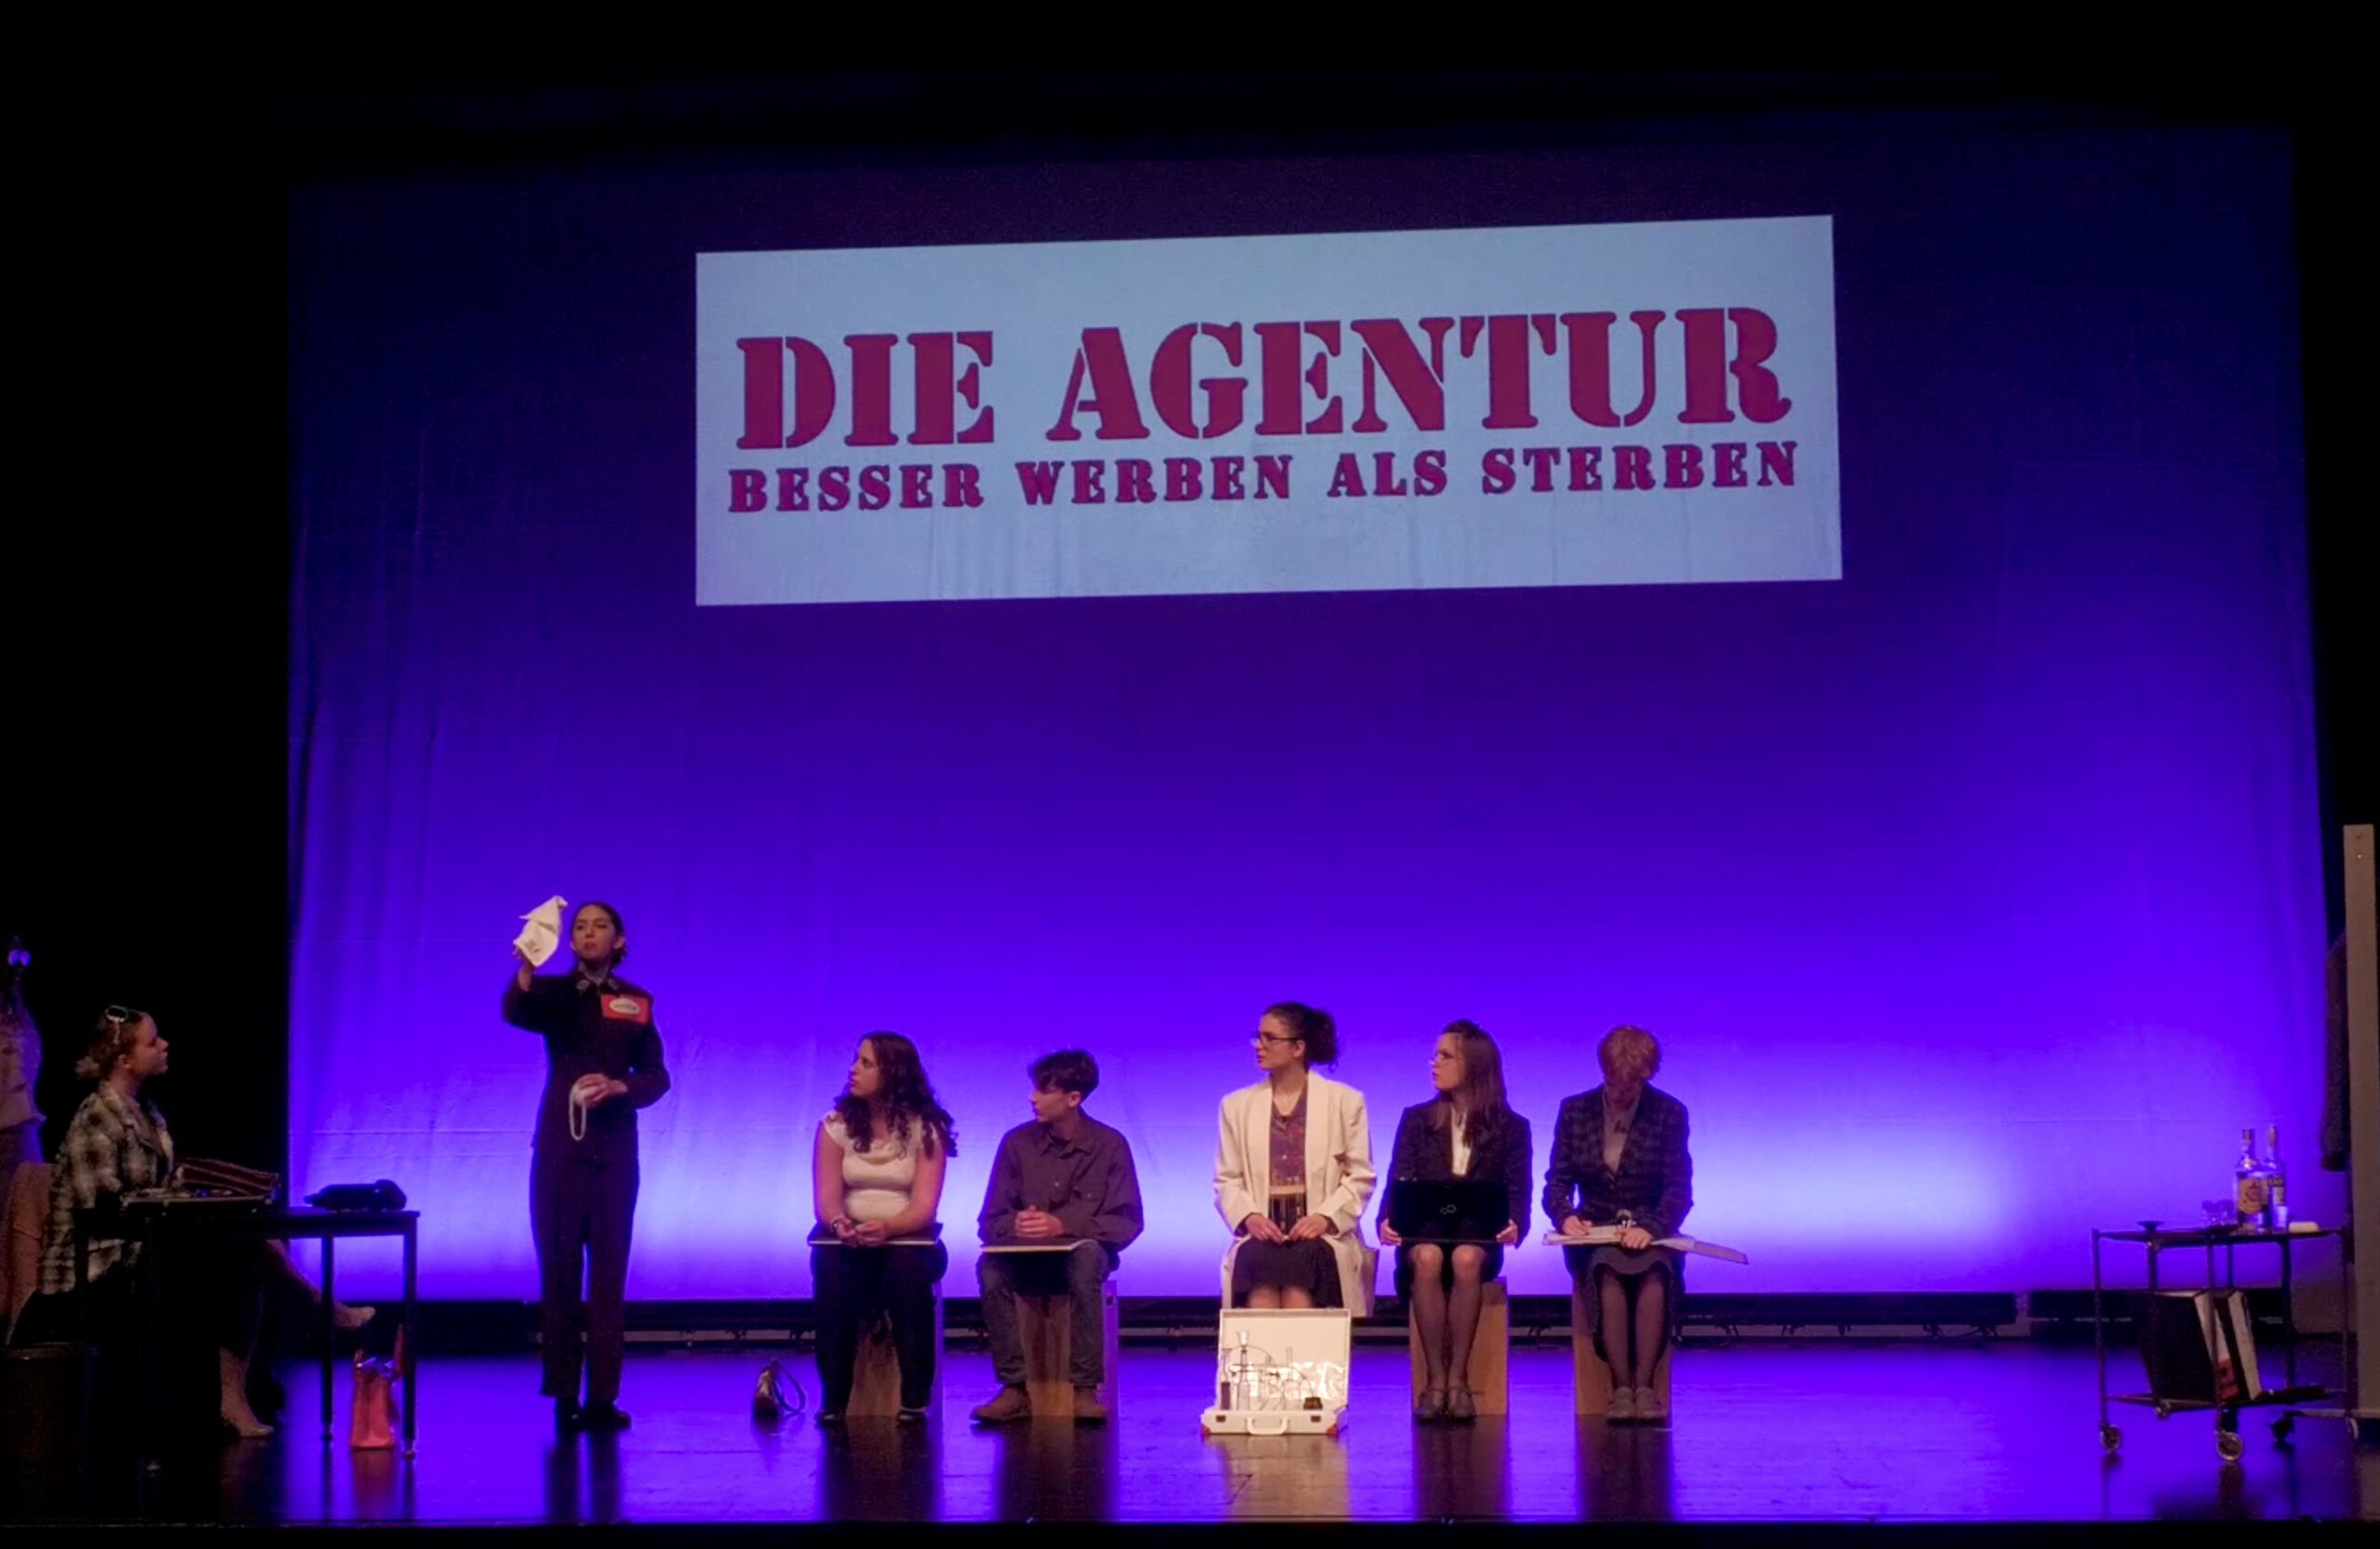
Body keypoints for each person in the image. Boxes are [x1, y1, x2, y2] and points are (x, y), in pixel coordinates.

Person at [13, 1007, 369, 1439]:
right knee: (240, 1249)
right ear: (124, 1060)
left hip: (141, 1248)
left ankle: (244, 1386)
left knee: (246, 1240)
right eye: (152, 1042)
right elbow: (103, 1211)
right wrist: (168, 1205)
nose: (164, 1046)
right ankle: (312, 1307)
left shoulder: (145, 1110)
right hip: (94, 1269)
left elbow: (160, 1184)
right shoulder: (96, 1119)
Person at [503, 900, 670, 1433]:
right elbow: (518, 1011)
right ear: (571, 941)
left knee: (608, 1276)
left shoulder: (636, 1002)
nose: (588, 933)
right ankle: (562, 1394)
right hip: (560, 1151)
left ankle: (602, 1396)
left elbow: (657, 1076)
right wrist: (527, 968)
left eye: (600, 926)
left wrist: (620, 1086)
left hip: (614, 1156)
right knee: (558, 1273)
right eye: (580, 927)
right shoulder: (556, 993)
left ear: (619, 941)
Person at [971, 1050, 1143, 1424]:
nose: (1032, 1098)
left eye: (1043, 1090)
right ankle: (1014, 1388)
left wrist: (1062, 1225)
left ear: (1073, 1098)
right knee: (990, 1267)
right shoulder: (1016, 1143)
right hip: (1026, 1256)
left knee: (1085, 1261)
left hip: (1082, 1255)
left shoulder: (1109, 1145)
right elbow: (989, 1220)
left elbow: (1126, 1220)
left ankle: (1084, 1388)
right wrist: (1015, 1224)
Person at [1377, 1019, 1532, 1422]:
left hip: (1477, 1239)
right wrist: (1386, 1221)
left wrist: (1515, 1223)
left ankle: (1458, 1380)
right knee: (1428, 1257)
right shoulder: (1417, 1119)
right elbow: (1398, 1179)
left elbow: (1518, 1191)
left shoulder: (1512, 1128)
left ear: (1473, 1065)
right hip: (1424, 1234)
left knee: (1465, 1258)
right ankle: (1435, 1380)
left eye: (1445, 1056)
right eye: (1436, 1055)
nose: (1434, 1063)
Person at [1542, 1025, 1692, 1423]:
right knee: (1606, 1269)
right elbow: (1556, 1183)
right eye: (1614, 1084)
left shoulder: (1669, 1114)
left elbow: (1679, 1190)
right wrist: (1566, 1216)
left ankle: (1645, 1388)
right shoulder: (1575, 1111)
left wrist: (1652, 1227)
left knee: (1654, 1274)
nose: (1621, 1094)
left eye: (1632, 1086)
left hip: (1651, 1233)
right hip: (1596, 1234)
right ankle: (1620, 1388)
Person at [810, 1031, 955, 1425]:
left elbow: (924, 1208)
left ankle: (915, 1396)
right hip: (849, 1238)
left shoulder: (926, 1128)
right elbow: (826, 1200)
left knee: (905, 1271)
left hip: (908, 1237)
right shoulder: (835, 1126)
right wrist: (840, 1223)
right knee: (829, 1268)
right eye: (856, 1060)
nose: (853, 1070)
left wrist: (887, 1228)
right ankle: (834, 1397)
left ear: (893, 1072)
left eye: (866, 1063)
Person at [1213, 1002, 1375, 1316]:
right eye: (1258, 1037)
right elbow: (1227, 1179)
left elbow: (1360, 1176)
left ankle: (1302, 1350)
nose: (1259, 1046)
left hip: (1320, 1232)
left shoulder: (1345, 1102)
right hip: (1263, 1230)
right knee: (1258, 1264)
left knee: (1302, 1269)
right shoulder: (1235, 1106)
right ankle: (1264, 1350)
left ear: (1298, 1048)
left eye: (1270, 1038)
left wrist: (1324, 1217)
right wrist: (1250, 1216)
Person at [1, 938, 41, 1208]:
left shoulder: (18, 1013)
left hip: (24, 1134)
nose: (19, 966)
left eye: (23, 958)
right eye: (12, 957)